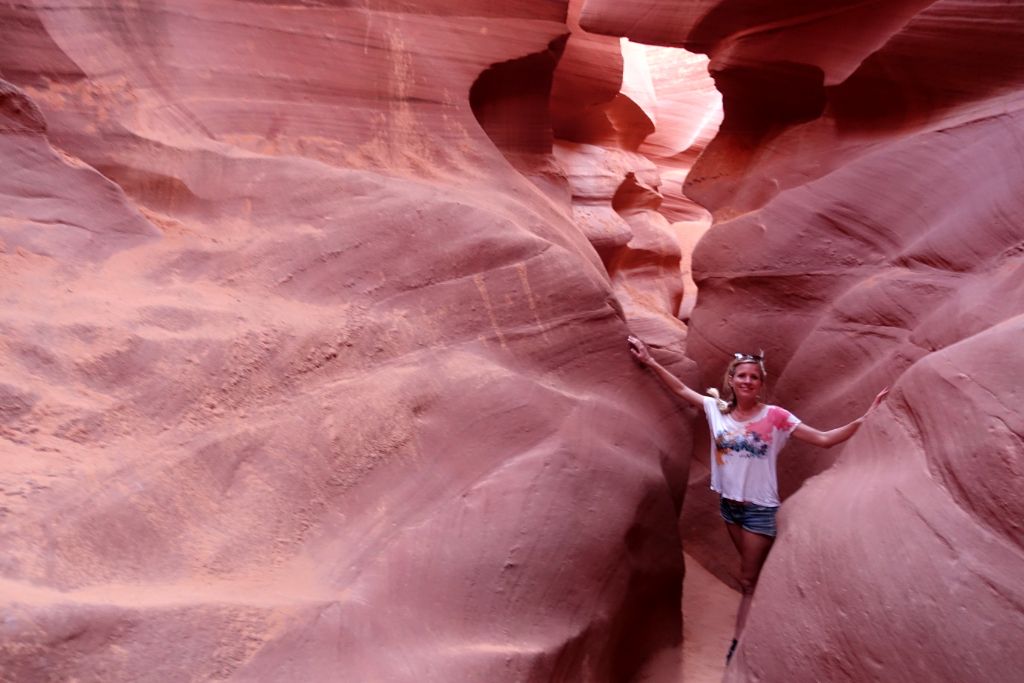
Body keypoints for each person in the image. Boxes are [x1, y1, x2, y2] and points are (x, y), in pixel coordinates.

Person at [626, 335, 887, 664]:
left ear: (761, 384)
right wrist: (649, 360)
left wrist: (868, 418)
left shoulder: (776, 417)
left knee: (748, 579)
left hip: (759, 510)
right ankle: (763, 619)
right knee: (753, 573)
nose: (747, 381)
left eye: (754, 377)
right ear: (731, 381)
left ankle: (739, 647)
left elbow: (823, 439)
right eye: (742, 376)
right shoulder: (717, 410)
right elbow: (680, 390)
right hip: (729, 507)